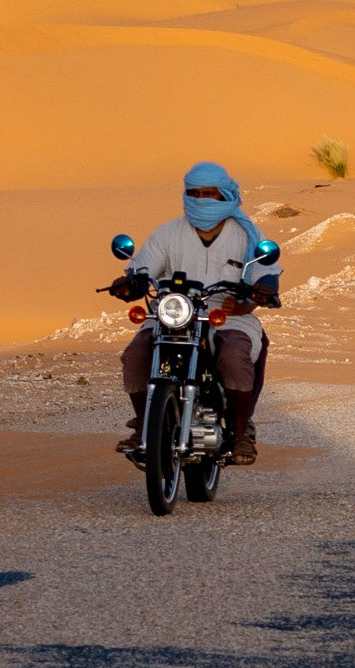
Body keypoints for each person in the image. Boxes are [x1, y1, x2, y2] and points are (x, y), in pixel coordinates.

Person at [109, 161, 279, 465]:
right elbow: (142, 269)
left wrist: (256, 295)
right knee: (135, 354)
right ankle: (144, 423)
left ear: (225, 195)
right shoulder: (168, 233)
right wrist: (129, 283)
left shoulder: (246, 235)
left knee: (234, 356)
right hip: (173, 312)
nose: (201, 199)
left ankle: (240, 431)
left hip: (227, 315)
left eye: (209, 194)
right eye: (194, 192)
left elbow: (265, 274)